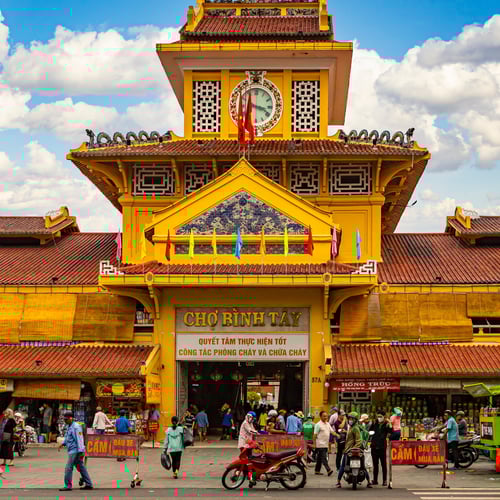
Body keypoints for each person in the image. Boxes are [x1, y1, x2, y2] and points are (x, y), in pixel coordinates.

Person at [58, 411, 93, 491]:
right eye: (64, 419)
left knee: (68, 468)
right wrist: (63, 443)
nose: (65, 421)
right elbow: (68, 437)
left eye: (66, 419)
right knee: (81, 467)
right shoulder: (69, 426)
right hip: (72, 450)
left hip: (75, 450)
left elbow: (79, 439)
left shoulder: (76, 427)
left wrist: (81, 451)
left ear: (71, 418)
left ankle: (68, 486)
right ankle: (88, 484)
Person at [337, 411, 371, 489]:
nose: (350, 420)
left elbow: (359, 441)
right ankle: (369, 482)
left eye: (352, 419)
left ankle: (338, 482)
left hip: (351, 450)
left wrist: (353, 449)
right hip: (351, 449)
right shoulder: (353, 427)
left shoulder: (355, 428)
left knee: (343, 466)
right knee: (363, 466)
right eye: (349, 418)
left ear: (355, 420)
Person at [313, 410, 338, 476]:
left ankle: (317, 470)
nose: (325, 417)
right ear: (320, 416)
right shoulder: (318, 425)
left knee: (319, 458)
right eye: (324, 416)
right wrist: (314, 444)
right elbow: (315, 435)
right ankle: (328, 470)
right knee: (324, 457)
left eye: (326, 416)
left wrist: (337, 435)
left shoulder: (328, 424)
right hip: (320, 444)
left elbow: (332, 431)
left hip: (325, 444)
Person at [370, 413, 392, 486]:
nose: (379, 418)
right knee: (375, 465)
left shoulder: (386, 424)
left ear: (384, 417)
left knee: (383, 465)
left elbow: (390, 431)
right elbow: (370, 431)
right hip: (374, 446)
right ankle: (375, 480)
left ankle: (384, 480)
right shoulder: (374, 423)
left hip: (382, 447)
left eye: (380, 416)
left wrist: (390, 423)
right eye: (378, 416)